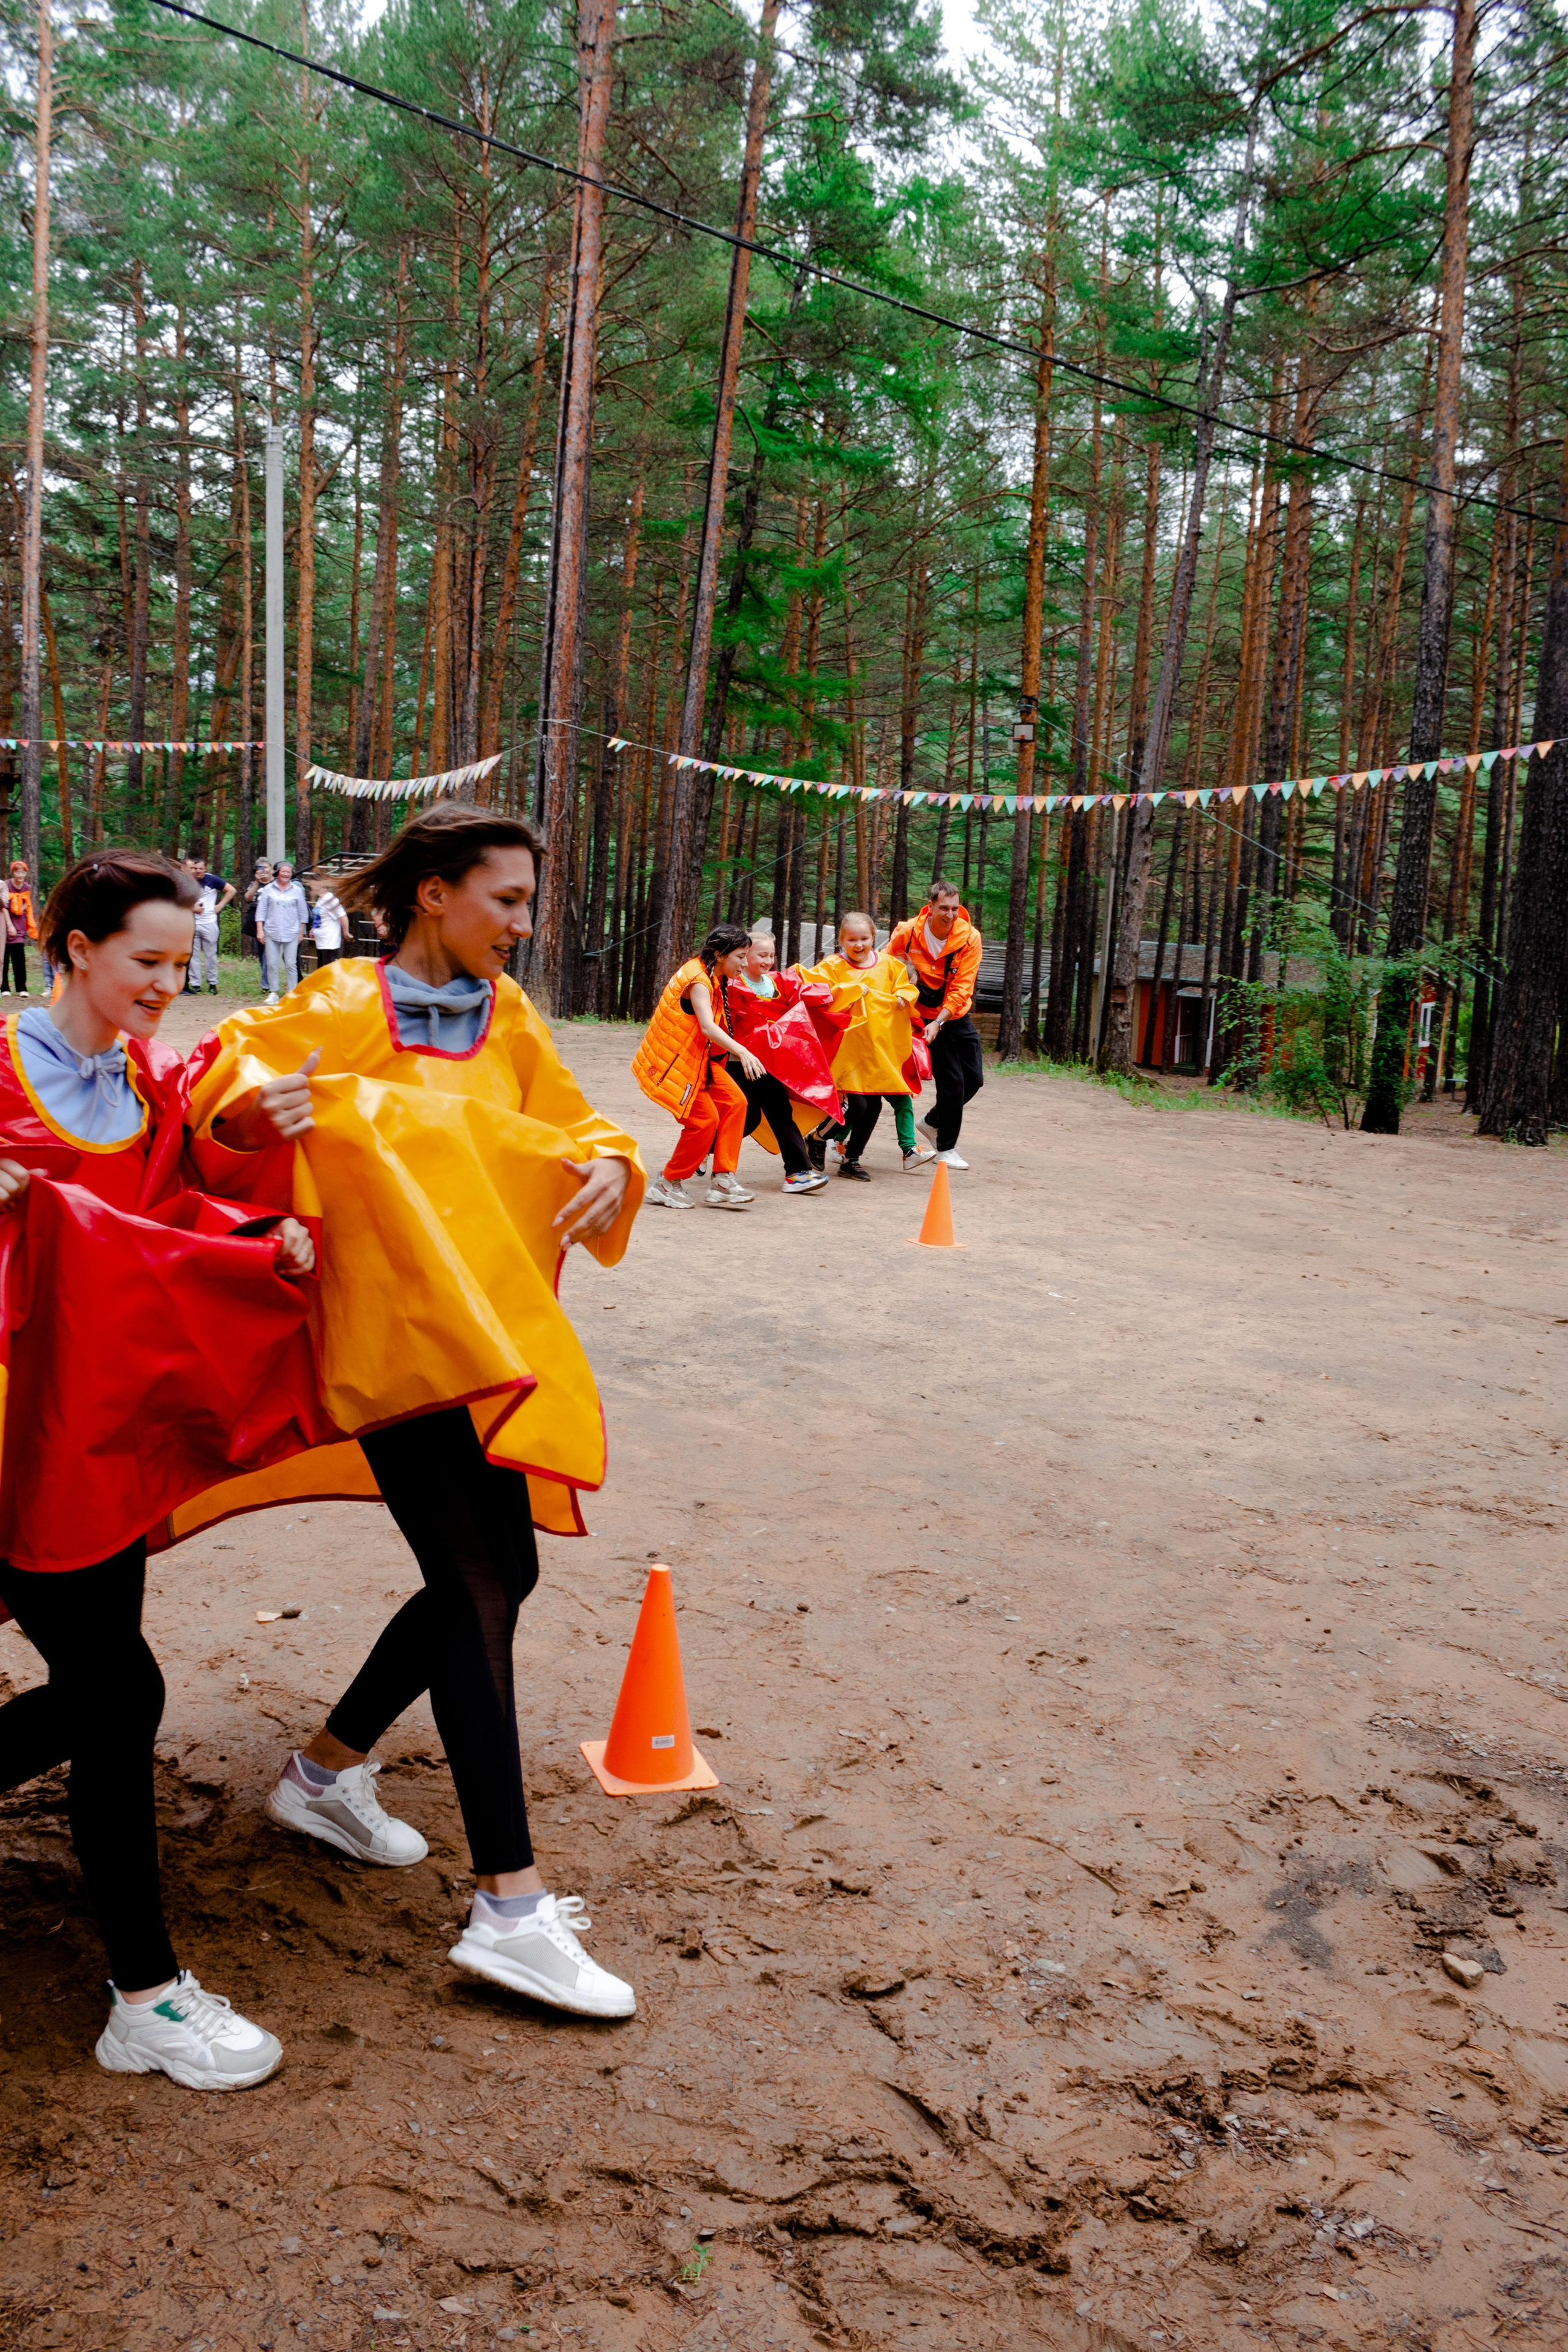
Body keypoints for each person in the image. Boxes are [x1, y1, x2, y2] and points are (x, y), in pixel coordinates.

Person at [186, 803, 646, 2021]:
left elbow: (575, 1122)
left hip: (478, 1339)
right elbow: (228, 1064)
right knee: (482, 1588)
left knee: (498, 1579)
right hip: (384, 1345)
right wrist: (251, 1111)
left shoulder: (514, 1019)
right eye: (504, 899)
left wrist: (609, 1164)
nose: (521, 924)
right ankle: (509, 1907)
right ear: (433, 893)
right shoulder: (341, 1006)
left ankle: (325, 1773)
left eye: (528, 901)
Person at [0, 851, 325, 2090]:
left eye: (181, 967)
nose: (165, 988)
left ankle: (144, 1992)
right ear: (75, 946)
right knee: (116, 1690)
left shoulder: (137, 1083)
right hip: (5, 1436)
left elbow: (175, 1206)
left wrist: (256, 1209)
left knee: (108, 1690)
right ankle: (144, 1992)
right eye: (146, 961)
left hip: (91, 1439)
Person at [633, 923, 760, 1210]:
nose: (745, 963)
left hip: (699, 1062)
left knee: (736, 1103)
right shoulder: (699, 981)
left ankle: (723, 1180)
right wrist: (743, 1052)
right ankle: (667, 1183)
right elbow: (706, 1026)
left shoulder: (714, 974)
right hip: (675, 1066)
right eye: (740, 957)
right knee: (704, 1122)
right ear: (719, 954)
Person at [799, 911, 935, 1178]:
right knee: (857, 1106)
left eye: (864, 938)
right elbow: (813, 990)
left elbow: (907, 986)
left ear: (874, 937)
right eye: (852, 940)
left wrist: (903, 997)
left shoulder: (889, 965)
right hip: (847, 1051)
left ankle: (852, 1159)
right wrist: (846, 992)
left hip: (878, 1050)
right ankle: (817, 1137)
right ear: (841, 940)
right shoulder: (832, 966)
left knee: (873, 1107)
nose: (859, 945)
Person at [724, 930, 835, 1194]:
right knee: (747, 1118)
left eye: (772, 955)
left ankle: (798, 1172)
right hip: (738, 1062)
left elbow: (800, 1004)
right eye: (761, 955)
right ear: (744, 956)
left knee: (780, 1111)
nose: (768, 960)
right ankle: (707, 1148)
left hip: (768, 1063)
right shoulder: (731, 985)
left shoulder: (778, 983)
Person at [886, 878, 984, 1168]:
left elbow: (962, 987)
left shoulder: (969, 938)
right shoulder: (906, 933)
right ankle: (946, 1149)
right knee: (952, 1081)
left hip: (953, 1014)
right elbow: (889, 970)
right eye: (944, 908)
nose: (950, 915)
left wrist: (941, 1021)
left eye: (955, 908)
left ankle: (931, 1122)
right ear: (930, 907)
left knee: (974, 1080)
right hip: (920, 1015)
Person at [255, 861, 308, 1003]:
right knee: (272, 963)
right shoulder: (269, 889)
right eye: (283, 872)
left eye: (288, 872)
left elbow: (303, 913)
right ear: (277, 873)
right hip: (272, 931)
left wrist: (301, 932)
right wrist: (260, 930)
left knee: (291, 963)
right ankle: (274, 992)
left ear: (291, 875)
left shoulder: (297, 890)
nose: (285, 874)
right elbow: (261, 911)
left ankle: (292, 993)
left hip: (292, 932)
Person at [183, 856, 235, 994]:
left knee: (210, 954)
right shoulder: (187, 881)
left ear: (205, 869)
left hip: (209, 922)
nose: (197, 871)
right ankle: (195, 984)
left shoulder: (213, 880)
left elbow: (232, 890)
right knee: (193, 954)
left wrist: (220, 906)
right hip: (191, 921)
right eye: (195, 868)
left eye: (200, 869)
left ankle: (212, 983)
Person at [3, 861, 37, 995]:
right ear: (14, 873)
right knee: (5, 958)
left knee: (19, 957)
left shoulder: (27, 887)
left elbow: (27, 905)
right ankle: (4, 988)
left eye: (23, 872)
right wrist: (9, 925)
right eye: (18, 872)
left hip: (19, 924)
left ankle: (21, 988)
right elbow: (3, 906)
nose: (20, 875)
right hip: (6, 923)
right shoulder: (6, 885)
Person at [309, 876, 348, 967]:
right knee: (321, 968)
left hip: (329, 942)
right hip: (321, 941)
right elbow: (320, 916)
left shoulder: (331, 900)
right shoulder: (320, 899)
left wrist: (346, 932)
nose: (311, 888)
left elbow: (343, 916)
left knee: (327, 969)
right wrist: (313, 929)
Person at [240, 858, 271, 968]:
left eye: (266, 867)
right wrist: (257, 882)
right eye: (260, 868)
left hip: (273, 919)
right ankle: (265, 978)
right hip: (258, 921)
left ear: (271, 869)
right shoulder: (255, 884)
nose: (263, 871)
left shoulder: (276, 883)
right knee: (262, 949)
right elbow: (248, 898)